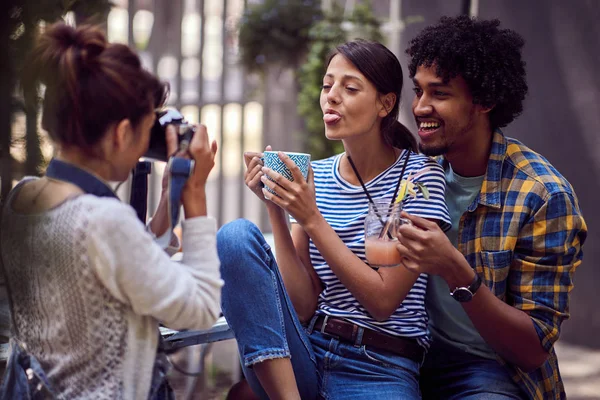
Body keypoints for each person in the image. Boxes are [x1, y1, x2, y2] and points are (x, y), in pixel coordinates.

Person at [217, 39, 451, 400]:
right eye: (327, 86)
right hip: (303, 356)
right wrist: (277, 209)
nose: (331, 96)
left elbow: (383, 301)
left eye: (350, 87)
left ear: (385, 104)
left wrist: (311, 218)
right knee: (235, 236)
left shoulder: (418, 178)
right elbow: (303, 304)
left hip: (380, 365)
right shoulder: (317, 177)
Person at [0, 23, 222, 399]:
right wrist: (195, 197)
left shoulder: (21, 200)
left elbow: (116, 276)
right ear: (121, 133)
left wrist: (168, 205)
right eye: (145, 128)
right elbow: (199, 308)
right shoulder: (101, 221)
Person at [395, 15, 587, 400]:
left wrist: (453, 268)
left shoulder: (543, 194)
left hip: (490, 369)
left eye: (440, 94)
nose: (420, 107)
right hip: (408, 355)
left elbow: (532, 349)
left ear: (483, 100)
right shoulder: (413, 171)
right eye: (418, 91)